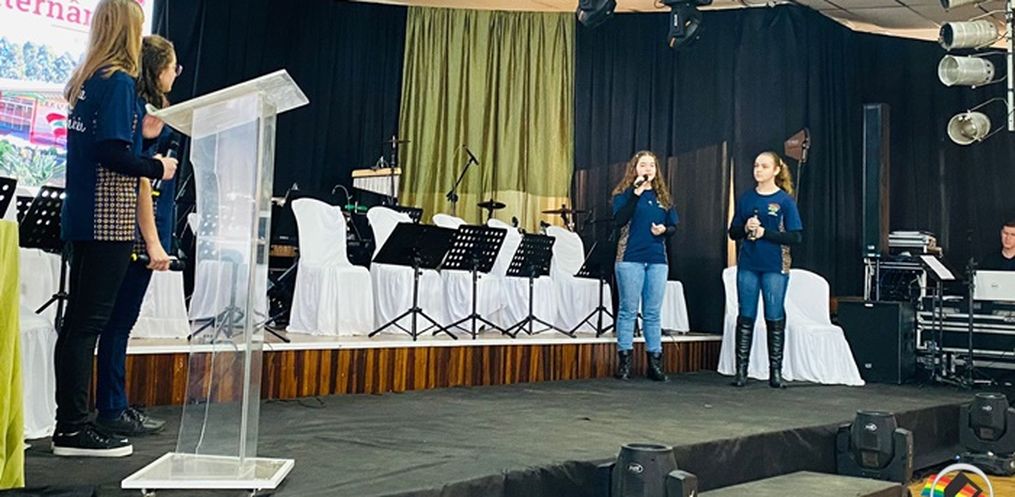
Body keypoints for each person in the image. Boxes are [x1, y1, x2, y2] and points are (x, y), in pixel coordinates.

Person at [55, 0, 177, 457]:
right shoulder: (119, 82)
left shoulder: (87, 79)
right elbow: (112, 152)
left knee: (78, 325)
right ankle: (72, 428)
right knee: (87, 325)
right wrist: (157, 166)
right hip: (106, 220)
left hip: (82, 214)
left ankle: (71, 423)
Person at [93, 34, 181, 438]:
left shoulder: (156, 112)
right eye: (173, 68)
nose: (175, 75)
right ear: (158, 70)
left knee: (120, 322)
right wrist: (153, 242)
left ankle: (116, 402)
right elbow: (141, 181)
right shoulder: (135, 113)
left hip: (147, 229)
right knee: (117, 322)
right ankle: (112, 407)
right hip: (130, 230)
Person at [728, 151, 802, 389]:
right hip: (749, 264)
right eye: (756, 166)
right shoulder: (747, 198)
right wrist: (745, 227)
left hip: (774, 265)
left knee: (774, 314)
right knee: (746, 314)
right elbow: (733, 232)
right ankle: (741, 370)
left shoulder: (785, 201)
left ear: (776, 170)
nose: (758, 170)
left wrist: (765, 233)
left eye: (764, 166)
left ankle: (775, 371)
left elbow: (795, 236)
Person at [611, 150, 679, 382]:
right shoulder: (623, 194)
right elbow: (619, 219)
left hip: (657, 259)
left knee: (652, 312)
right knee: (628, 310)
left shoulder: (663, 197)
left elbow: (673, 225)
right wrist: (635, 193)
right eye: (643, 165)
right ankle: (625, 362)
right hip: (630, 257)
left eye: (651, 165)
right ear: (634, 169)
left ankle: (655, 363)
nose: (648, 169)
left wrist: (664, 230)